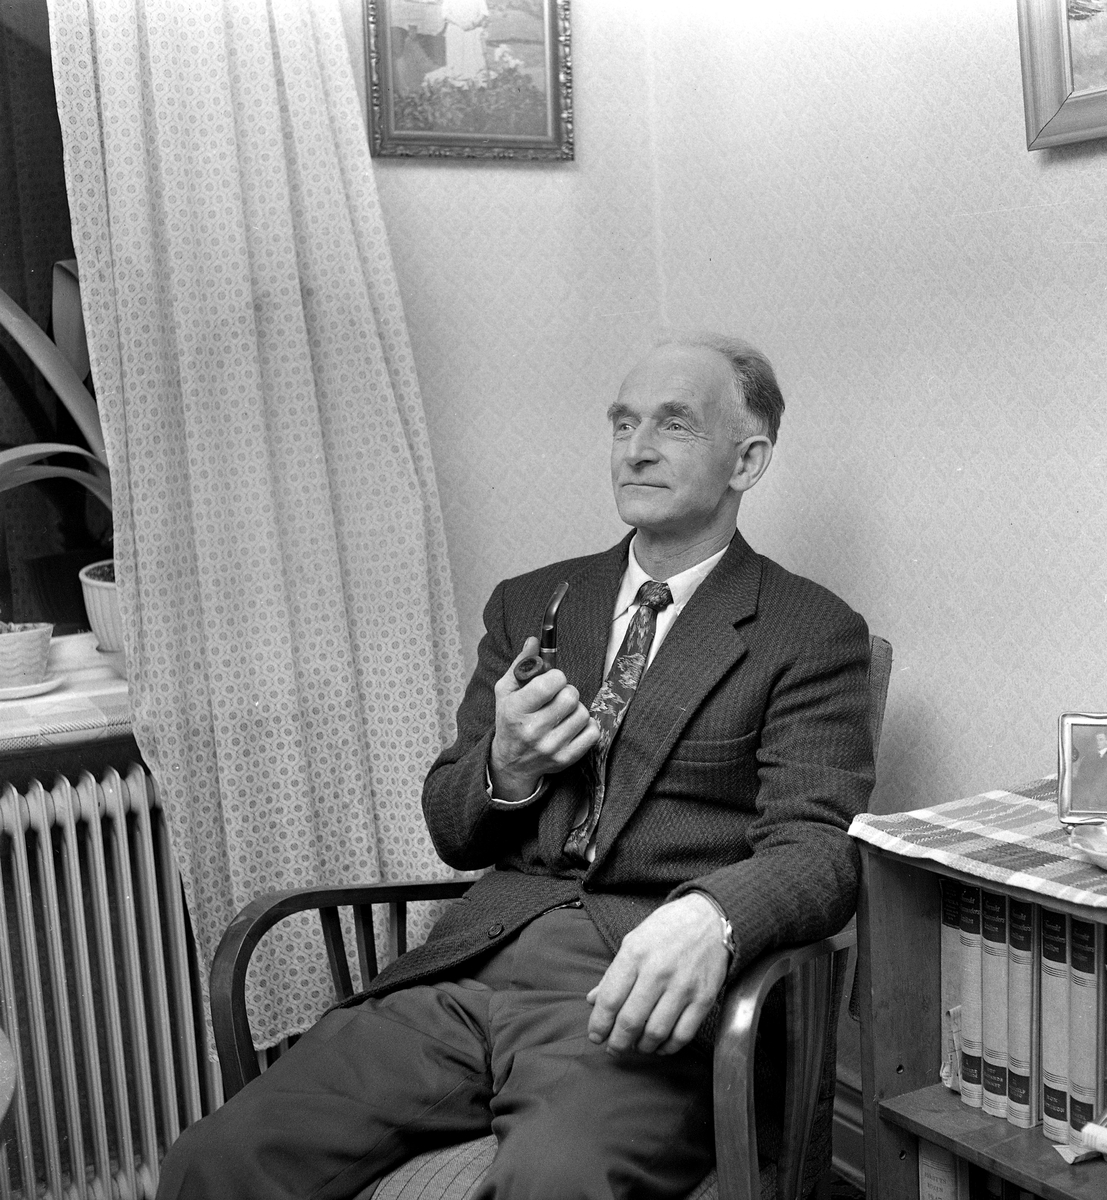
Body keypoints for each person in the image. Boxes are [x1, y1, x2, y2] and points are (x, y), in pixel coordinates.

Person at [158, 334, 876, 1199]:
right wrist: (506, 764)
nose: (636, 449)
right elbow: (452, 830)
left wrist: (711, 917)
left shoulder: (808, 631)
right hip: (470, 970)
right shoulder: (531, 603)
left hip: (632, 991)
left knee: (553, 1183)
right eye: (623, 423)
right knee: (214, 1160)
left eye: (675, 425)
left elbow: (818, 849)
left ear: (746, 461)